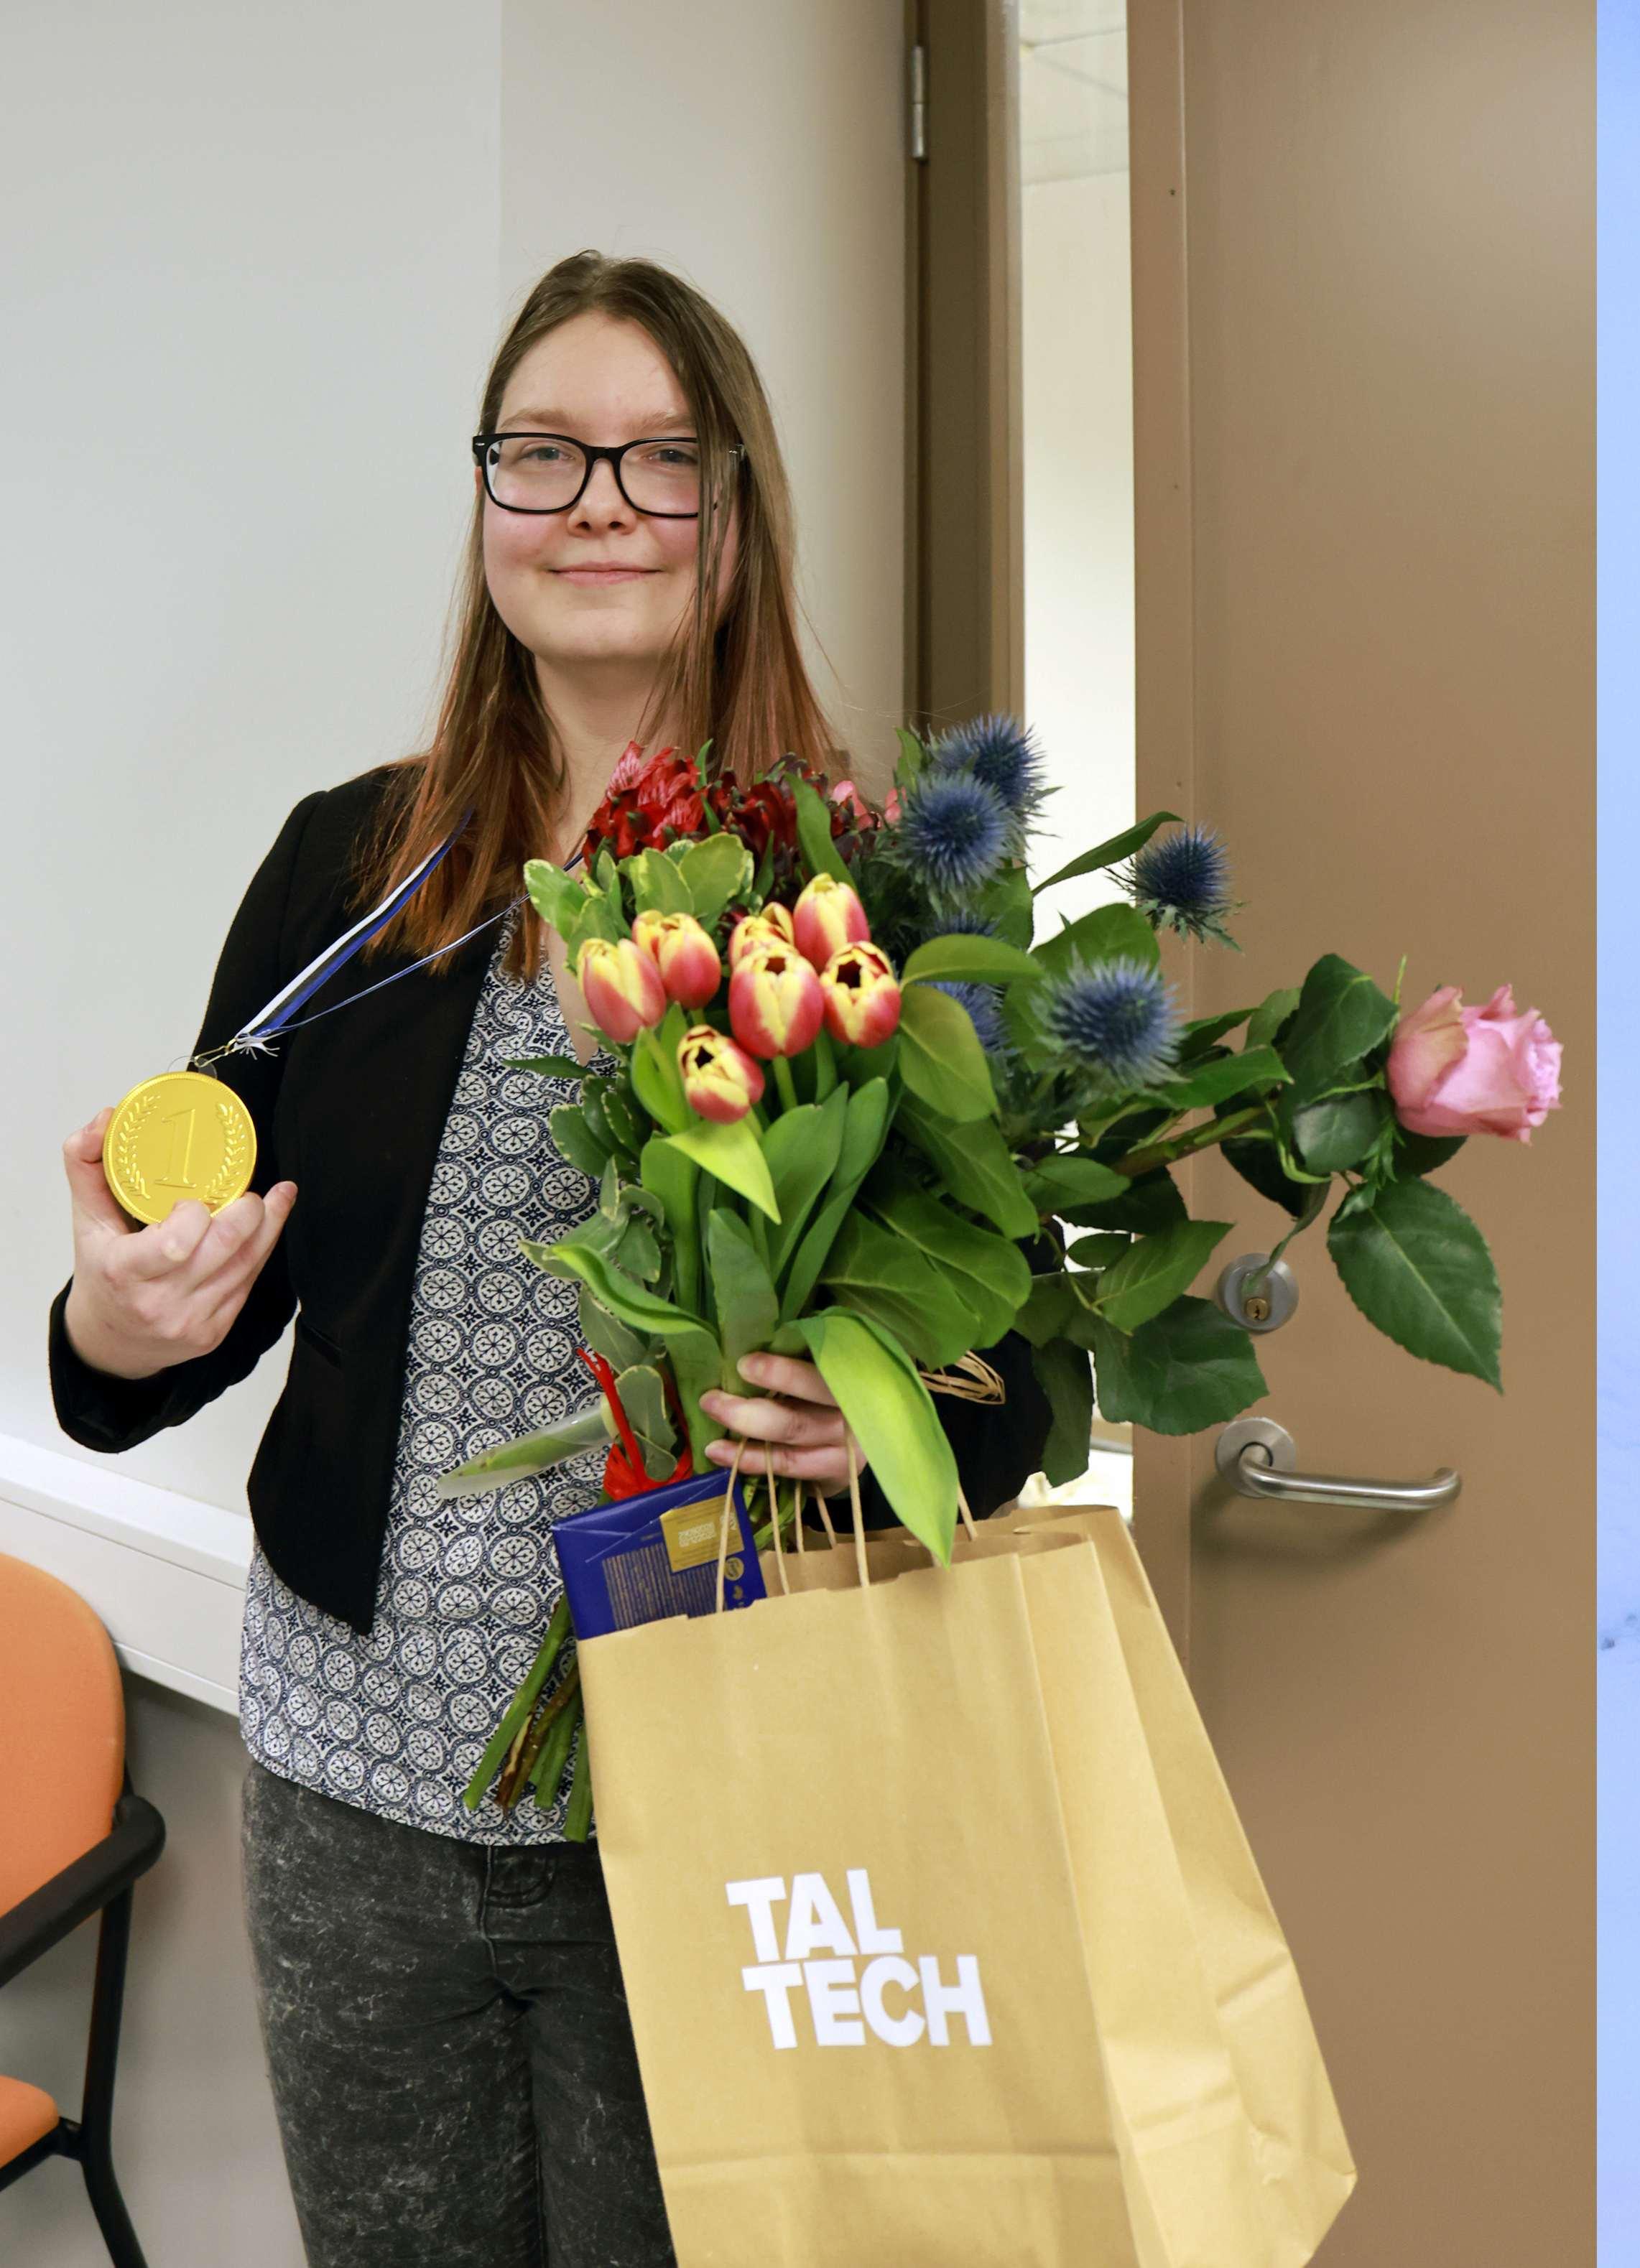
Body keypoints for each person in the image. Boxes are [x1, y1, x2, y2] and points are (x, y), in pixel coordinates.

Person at [46, 252, 1048, 2264]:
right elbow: (160, 1328)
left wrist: (871, 1411)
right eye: (544, 451)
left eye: (661, 456)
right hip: (351, 1786)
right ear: (486, 503)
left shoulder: (874, 883)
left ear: (738, 513)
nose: (597, 499)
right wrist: (110, 1310)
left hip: (722, 1795)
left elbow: (1004, 1376)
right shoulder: (353, 865)